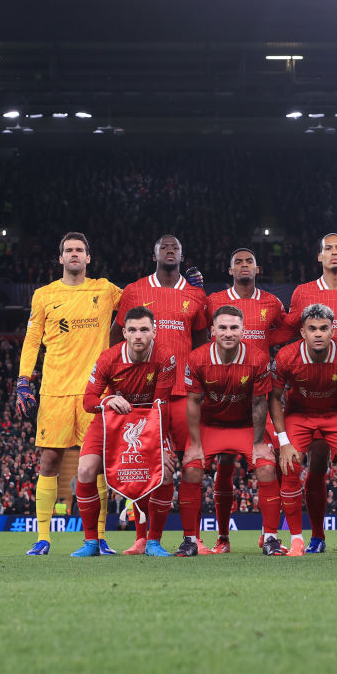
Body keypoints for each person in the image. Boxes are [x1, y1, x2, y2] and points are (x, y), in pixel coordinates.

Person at [16, 231, 123, 556]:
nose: (74, 254)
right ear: (61, 258)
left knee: (98, 466)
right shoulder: (44, 295)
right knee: (49, 460)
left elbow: (139, 303)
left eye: (79, 250)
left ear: (88, 257)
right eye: (68, 250)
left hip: (96, 390)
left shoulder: (105, 290)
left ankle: (100, 537)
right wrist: (23, 380)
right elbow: (33, 338)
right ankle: (43, 537)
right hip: (55, 391)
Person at [276, 233, 337, 553]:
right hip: (311, 392)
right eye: (328, 249)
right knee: (316, 465)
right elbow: (283, 328)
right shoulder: (303, 293)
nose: (334, 253)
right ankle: (317, 536)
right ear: (319, 257)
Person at [110, 235, 209, 555]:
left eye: (175, 247)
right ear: (154, 254)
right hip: (142, 395)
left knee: (192, 463)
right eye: (164, 246)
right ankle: (143, 537)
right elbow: (116, 334)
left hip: (183, 393)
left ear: (182, 256)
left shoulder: (195, 295)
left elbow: (203, 341)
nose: (169, 250)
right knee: (143, 467)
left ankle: (193, 538)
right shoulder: (135, 291)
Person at [70, 306, 178, 557]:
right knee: (85, 470)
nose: (138, 335)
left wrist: (161, 447)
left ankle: (153, 542)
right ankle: (91, 543)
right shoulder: (109, 358)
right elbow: (88, 401)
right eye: (132, 330)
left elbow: (161, 405)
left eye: (143, 330)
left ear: (154, 331)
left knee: (165, 473)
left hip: (150, 420)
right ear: (125, 333)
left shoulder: (165, 356)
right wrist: (106, 402)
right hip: (112, 420)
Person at [177, 305, 279, 556]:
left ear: (243, 330)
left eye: (234, 327)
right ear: (212, 330)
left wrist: (257, 442)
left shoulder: (258, 358)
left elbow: (259, 403)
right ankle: (190, 540)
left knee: (266, 466)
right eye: (222, 327)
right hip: (211, 426)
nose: (228, 332)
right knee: (191, 469)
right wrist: (195, 444)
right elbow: (192, 402)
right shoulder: (197, 358)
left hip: (245, 426)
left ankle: (271, 538)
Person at [269, 304, 337, 556]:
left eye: (324, 328)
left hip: (335, 414)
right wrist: (283, 440)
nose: (318, 334)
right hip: (299, 415)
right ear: (302, 332)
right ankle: (297, 540)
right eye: (312, 329)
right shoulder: (287, 357)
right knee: (290, 465)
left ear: (333, 330)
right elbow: (274, 398)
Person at [206, 248, 286, 553]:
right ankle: (223, 538)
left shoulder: (272, 303)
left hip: (257, 397)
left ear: (257, 269)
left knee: (271, 462)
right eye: (237, 261)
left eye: (248, 262)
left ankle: (269, 534)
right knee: (224, 464)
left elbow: (286, 330)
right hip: (222, 397)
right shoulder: (214, 301)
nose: (243, 265)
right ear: (230, 270)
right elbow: (201, 332)